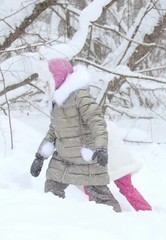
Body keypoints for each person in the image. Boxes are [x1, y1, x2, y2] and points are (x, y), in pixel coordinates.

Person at [30, 58, 121, 212]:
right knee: (52, 187)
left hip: (86, 157)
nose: (44, 85)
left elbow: (97, 121)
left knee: (102, 197)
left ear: (57, 78)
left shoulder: (81, 97)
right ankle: (59, 219)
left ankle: (119, 223)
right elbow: (54, 130)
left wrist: (100, 148)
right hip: (64, 159)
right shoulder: (57, 101)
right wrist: (40, 156)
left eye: (47, 81)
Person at [83, 121, 152, 211]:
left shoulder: (91, 129)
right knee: (128, 188)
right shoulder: (108, 124)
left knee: (90, 186)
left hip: (110, 164)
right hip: (122, 161)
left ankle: (99, 209)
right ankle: (145, 209)